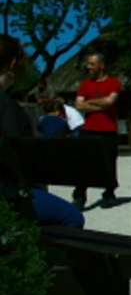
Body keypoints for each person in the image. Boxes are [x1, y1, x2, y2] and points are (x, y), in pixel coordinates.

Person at [0, 34, 84, 229]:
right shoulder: (8, 107)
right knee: (72, 217)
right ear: (13, 64)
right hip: (7, 194)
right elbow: (21, 158)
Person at [72, 52, 122, 209]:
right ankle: (79, 196)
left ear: (102, 65)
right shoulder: (84, 84)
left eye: (92, 64)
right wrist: (100, 103)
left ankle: (109, 194)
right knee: (83, 163)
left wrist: (90, 102)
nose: (88, 67)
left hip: (108, 130)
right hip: (89, 129)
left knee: (109, 162)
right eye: (88, 64)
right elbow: (79, 105)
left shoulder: (114, 83)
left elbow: (110, 102)